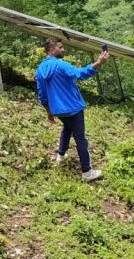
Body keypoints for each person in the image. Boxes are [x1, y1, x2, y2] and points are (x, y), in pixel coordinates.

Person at [35, 37, 110, 182]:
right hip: (73, 108)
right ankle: (87, 172)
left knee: (67, 128)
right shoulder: (61, 65)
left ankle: (61, 155)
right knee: (81, 139)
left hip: (58, 110)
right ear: (52, 50)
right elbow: (80, 74)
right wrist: (99, 62)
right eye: (60, 47)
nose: (63, 49)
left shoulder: (40, 70)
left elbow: (42, 95)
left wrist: (49, 113)